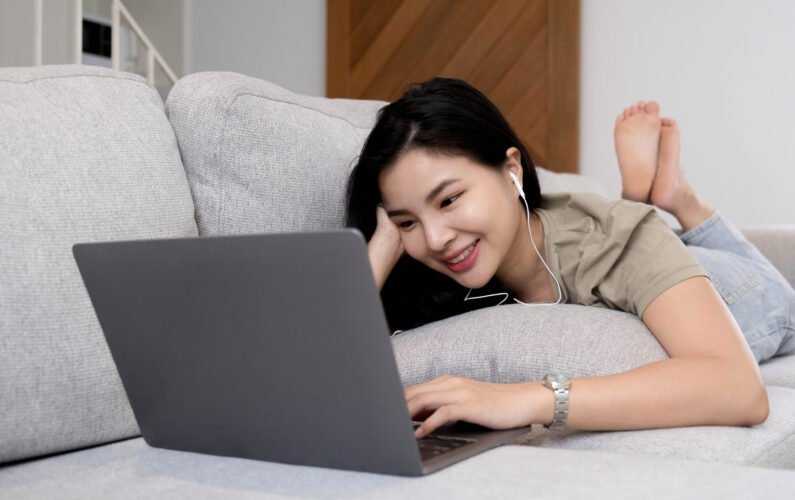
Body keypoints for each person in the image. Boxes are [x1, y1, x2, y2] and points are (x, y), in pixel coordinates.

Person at [345, 78, 795, 439]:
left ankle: (679, 197)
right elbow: (320, 373)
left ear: (511, 170)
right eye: (407, 221)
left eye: (448, 200)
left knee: (778, 293)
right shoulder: (424, 265)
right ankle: (661, 199)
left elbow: (741, 390)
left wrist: (529, 399)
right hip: (645, 254)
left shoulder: (611, 240)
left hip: (738, 290)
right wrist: (380, 249)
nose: (437, 239)